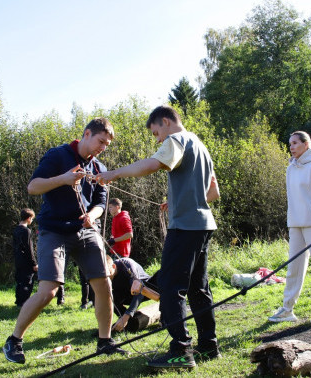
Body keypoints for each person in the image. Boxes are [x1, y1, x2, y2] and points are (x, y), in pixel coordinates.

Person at [95, 105, 220, 370]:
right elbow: (213, 193)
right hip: (203, 224)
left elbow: (154, 164)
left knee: (172, 288)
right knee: (199, 289)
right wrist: (177, 202)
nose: (158, 139)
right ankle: (209, 346)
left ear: (165, 122)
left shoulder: (176, 139)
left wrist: (113, 173)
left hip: (184, 228)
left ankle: (181, 352)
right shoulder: (200, 145)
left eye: (156, 133)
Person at [3, 118, 125, 364]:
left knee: (103, 284)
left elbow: (101, 204)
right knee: (49, 291)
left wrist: (92, 215)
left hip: (86, 230)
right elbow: (33, 187)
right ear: (87, 134)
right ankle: (14, 341)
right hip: (54, 230)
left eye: (107, 144)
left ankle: (105, 341)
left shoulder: (99, 168)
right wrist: (64, 179)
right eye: (101, 141)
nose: (103, 147)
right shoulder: (58, 155)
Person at [268, 131, 311, 324]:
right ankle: (287, 309)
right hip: (296, 224)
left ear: (306, 145)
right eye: (290, 143)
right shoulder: (290, 168)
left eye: (295, 143)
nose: (291, 147)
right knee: (294, 267)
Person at [105, 255, 159, 332]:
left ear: (113, 266)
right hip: (127, 293)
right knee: (108, 297)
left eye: (108, 274)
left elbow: (139, 290)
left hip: (147, 289)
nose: (106, 278)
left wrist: (127, 315)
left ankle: (166, 316)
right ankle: (129, 321)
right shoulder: (102, 277)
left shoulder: (127, 265)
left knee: (159, 278)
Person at [12, 208, 38, 307]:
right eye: (32, 218)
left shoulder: (16, 230)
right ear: (28, 218)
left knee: (19, 281)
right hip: (26, 261)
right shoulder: (26, 231)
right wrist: (34, 263)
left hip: (18, 259)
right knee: (27, 282)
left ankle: (19, 301)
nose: (32, 221)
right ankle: (24, 302)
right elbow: (29, 248)